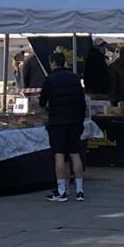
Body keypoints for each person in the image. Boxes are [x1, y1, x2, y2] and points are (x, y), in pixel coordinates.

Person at [39, 51, 87, 202]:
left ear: (53, 63)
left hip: (57, 122)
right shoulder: (75, 78)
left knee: (59, 155)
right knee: (75, 154)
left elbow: (42, 102)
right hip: (74, 121)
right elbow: (82, 102)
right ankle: (79, 190)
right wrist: (80, 121)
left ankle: (61, 190)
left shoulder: (50, 79)